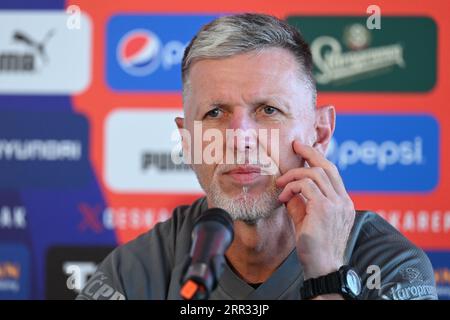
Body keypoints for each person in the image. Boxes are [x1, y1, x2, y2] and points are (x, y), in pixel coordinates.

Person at [77, 13, 437, 300]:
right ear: (187, 140)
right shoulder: (134, 272)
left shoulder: (391, 266)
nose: (240, 138)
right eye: (215, 113)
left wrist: (327, 277)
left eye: (268, 110)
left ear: (321, 132)